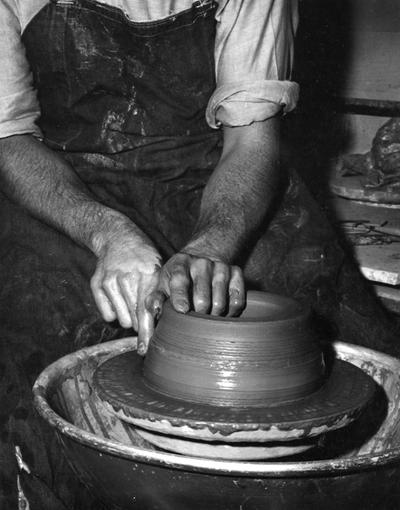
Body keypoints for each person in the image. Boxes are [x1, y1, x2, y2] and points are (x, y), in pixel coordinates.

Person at [0, 1, 398, 509]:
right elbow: (8, 137)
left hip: (217, 179)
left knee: (331, 342)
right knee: (35, 345)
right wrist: (107, 232)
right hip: (65, 185)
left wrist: (212, 246)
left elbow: (251, 141)